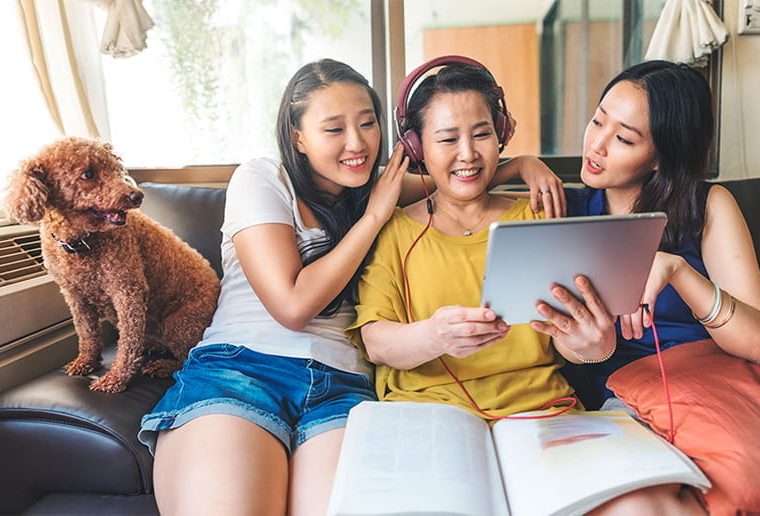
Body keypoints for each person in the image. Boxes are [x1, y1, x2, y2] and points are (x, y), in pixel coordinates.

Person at [138, 58, 563, 515]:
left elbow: (454, 172)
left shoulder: (377, 186)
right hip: (242, 372)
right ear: (297, 137)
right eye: (333, 129)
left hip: (341, 388)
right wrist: (375, 215)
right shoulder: (265, 178)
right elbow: (293, 305)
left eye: (367, 123)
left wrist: (522, 163)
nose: (357, 143)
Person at [350, 59, 707, 515]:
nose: (468, 154)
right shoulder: (395, 231)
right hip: (429, 416)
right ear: (417, 147)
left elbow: (580, 349)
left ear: (501, 132)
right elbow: (376, 342)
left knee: (649, 507)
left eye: (481, 134)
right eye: (447, 139)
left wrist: (594, 343)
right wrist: (434, 336)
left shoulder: (541, 217)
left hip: (544, 414)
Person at [545, 60, 760, 411]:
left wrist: (677, 272)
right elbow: (439, 192)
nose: (597, 145)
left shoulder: (707, 205)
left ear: (661, 156)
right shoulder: (562, 207)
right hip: (625, 400)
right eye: (598, 120)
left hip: (715, 390)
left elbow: (759, 344)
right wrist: (516, 165)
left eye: (623, 138)